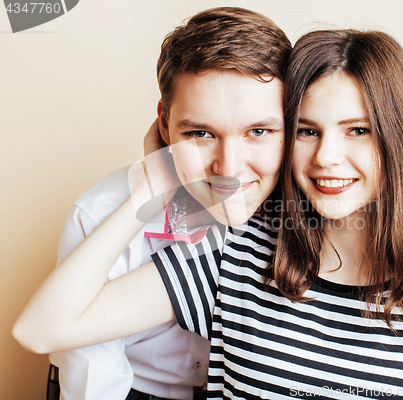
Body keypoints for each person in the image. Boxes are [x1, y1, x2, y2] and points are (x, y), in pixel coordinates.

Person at [13, 28, 403, 399]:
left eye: (358, 130)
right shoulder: (239, 252)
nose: (326, 156)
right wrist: (156, 183)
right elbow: (43, 332)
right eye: (307, 130)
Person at [30, 7, 291, 400]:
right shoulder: (99, 213)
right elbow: (93, 372)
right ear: (165, 124)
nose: (228, 168)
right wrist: (153, 190)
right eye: (201, 133)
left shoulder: (303, 209)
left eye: (259, 131)